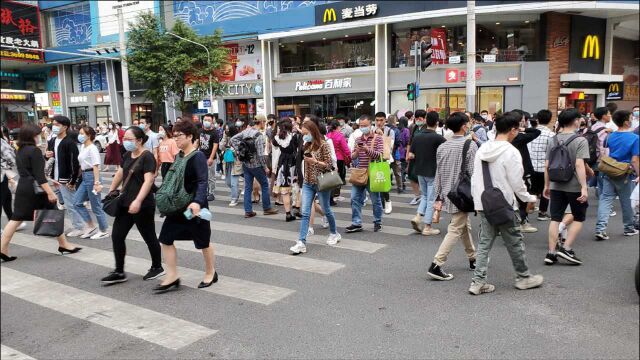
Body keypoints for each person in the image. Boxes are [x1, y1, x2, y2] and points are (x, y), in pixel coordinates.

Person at [469, 112, 543, 295]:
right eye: (518, 128)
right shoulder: (511, 152)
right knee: (515, 242)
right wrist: (529, 198)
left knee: (484, 243)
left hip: (484, 202)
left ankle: (477, 282)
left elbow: (475, 178)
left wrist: (478, 202)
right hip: (504, 204)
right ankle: (524, 277)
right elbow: (517, 183)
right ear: (512, 130)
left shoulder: (483, 149)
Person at [1, 124, 81, 262]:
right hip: (37, 189)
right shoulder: (35, 151)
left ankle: (3, 249)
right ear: (32, 136)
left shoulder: (20, 150)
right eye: (37, 134)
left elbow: (28, 171)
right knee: (53, 212)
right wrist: (50, 192)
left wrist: (50, 180)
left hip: (24, 187)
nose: (40, 137)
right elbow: (39, 176)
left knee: (15, 219)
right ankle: (64, 244)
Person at [155, 120, 217, 293]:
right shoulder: (179, 156)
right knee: (165, 239)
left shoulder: (197, 157)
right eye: (174, 136)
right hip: (177, 207)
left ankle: (211, 272)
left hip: (194, 209)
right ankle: (172, 275)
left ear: (190, 136)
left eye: (179, 136)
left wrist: (197, 202)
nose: (176, 139)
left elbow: (202, 182)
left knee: (203, 242)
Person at [101, 126, 163, 284]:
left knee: (149, 237)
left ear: (140, 140)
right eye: (124, 139)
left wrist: (138, 201)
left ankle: (157, 267)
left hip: (142, 204)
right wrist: (111, 191)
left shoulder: (147, 156)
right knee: (117, 236)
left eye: (129, 139)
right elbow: (120, 173)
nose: (125, 142)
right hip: (125, 202)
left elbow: (149, 181)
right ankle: (119, 271)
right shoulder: (127, 154)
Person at [428, 112, 478, 280]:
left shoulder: (442, 146)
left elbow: (439, 173)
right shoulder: (470, 145)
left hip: (449, 192)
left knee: (464, 226)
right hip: (463, 193)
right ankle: (436, 264)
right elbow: (473, 172)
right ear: (464, 126)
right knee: (456, 228)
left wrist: (439, 196)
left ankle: (473, 258)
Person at [543, 108, 590, 266]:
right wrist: (584, 187)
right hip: (574, 185)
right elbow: (579, 164)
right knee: (578, 217)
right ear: (576, 121)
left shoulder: (552, 139)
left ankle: (551, 252)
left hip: (556, 184)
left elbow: (547, 165)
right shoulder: (580, 140)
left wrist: (547, 185)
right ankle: (566, 248)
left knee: (555, 218)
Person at [289, 121, 340, 254]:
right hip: (307, 183)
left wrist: (315, 161)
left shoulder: (324, 145)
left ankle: (334, 233)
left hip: (322, 182)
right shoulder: (306, 145)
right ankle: (301, 242)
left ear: (313, 132)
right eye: (303, 134)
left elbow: (330, 165)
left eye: (306, 134)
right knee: (305, 213)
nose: (304, 136)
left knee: (326, 209)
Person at [594, 110, 640, 240]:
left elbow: (606, 148)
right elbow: (635, 160)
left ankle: (600, 229)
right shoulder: (635, 138)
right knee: (627, 201)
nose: (633, 119)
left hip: (609, 170)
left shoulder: (610, 136)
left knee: (606, 199)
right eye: (631, 117)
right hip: (625, 172)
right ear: (626, 122)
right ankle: (628, 228)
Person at [45, 115, 87, 237]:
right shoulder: (52, 141)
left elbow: (75, 163)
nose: (54, 127)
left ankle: (79, 226)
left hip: (65, 178)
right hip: (56, 177)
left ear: (65, 127)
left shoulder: (70, 142)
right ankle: (79, 225)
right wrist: (47, 155)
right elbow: (50, 157)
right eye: (53, 124)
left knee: (71, 204)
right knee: (67, 203)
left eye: (57, 125)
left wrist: (72, 180)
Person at [230, 118, 279, 218]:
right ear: (261, 122)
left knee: (248, 187)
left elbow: (232, 140)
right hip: (257, 165)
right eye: (264, 122)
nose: (265, 124)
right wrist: (265, 167)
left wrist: (239, 150)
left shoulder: (245, 132)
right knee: (265, 185)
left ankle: (248, 211)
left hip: (246, 164)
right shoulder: (259, 136)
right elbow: (261, 155)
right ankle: (267, 208)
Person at [408, 110, 446, 235]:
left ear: (425, 120)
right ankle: (427, 227)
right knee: (431, 199)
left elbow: (411, 154)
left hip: (419, 170)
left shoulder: (417, 136)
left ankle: (418, 217)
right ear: (436, 122)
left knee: (424, 196)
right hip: (432, 171)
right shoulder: (439, 138)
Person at [346, 115, 384, 233]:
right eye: (361, 126)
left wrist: (368, 149)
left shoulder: (378, 138)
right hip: (360, 172)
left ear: (370, 124)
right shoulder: (358, 139)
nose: (362, 128)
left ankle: (377, 221)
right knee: (354, 198)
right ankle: (356, 223)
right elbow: (352, 157)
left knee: (375, 200)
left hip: (373, 173)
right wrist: (356, 151)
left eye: (365, 126)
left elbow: (381, 155)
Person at [73, 126, 110, 239]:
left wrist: (97, 182)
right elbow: (81, 165)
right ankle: (91, 225)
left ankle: (103, 230)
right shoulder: (84, 147)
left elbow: (95, 166)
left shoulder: (92, 148)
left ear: (89, 135)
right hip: (85, 176)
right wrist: (75, 179)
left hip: (92, 176)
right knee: (77, 202)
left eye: (82, 133)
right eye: (80, 133)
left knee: (96, 206)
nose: (80, 135)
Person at [510, 110, 540, 233]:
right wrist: (523, 130)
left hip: (508, 171)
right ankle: (522, 221)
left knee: (509, 198)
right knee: (522, 197)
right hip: (522, 171)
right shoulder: (519, 137)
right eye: (523, 120)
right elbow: (537, 131)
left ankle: (507, 224)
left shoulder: (503, 137)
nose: (525, 122)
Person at [527, 109, 555, 221]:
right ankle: (542, 212)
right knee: (545, 188)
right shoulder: (551, 135)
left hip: (531, 166)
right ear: (549, 120)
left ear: (537, 119)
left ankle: (527, 210)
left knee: (533, 189)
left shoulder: (531, 132)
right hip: (545, 167)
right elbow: (553, 151)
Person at [272, 119, 300, 222]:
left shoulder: (276, 138)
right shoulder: (294, 137)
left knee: (284, 190)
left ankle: (288, 214)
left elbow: (275, 146)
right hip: (293, 163)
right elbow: (299, 148)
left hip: (282, 163)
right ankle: (297, 208)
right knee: (297, 186)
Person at [1, 126, 27, 234]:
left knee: (6, 198)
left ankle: (14, 221)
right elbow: (11, 158)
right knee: (3, 199)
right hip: (2, 174)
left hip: (3, 174)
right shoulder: (1, 142)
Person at [326, 119, 350, 202]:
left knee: (330, 178)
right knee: (338, 178)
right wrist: (350, 157)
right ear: (337, 127)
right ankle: (335, 196)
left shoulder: (327, 135)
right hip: (339, 158)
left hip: (329, 159)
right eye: (340, 126)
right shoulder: (340, 135)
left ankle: (330, 196)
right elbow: (345, 148)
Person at [199, 114, 220, 201]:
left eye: (208, 120)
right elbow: (197, 143)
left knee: (211, 176)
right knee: (203, 176)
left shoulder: (214, 132)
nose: (206, 121)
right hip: (201, 156)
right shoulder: (200, 131)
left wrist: (211, 158)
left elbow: (215, 146)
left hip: (210, 157)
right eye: (205, 120)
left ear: (212, 121)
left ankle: (211, 193)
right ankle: (205, 191)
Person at [220, 123, 242, 206]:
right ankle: (237, 191)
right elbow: (221, 147)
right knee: (228, 182)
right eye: (225, 129)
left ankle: (234, 199)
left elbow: (240, 150)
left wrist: (234, 150)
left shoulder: (238, 137)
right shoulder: (225, 136)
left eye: (228, 129)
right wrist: (224, 137)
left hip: (236, 162)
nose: (226, 130)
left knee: (233, 183)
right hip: (227, 162)